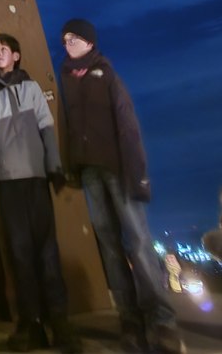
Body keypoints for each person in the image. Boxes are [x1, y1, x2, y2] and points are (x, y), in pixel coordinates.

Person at [59, 19, 185, 354]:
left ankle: (162, 322)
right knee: (111, 249)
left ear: (90, 42)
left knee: (139, 244)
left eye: (74, 38)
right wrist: (71, 167)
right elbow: (66, 124)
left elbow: (128, 125)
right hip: (90, 174)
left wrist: (139, 175)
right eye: (65, 39)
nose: (68, 43)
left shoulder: (107, 75)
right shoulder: (66, 78)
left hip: (118, 170)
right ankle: (129, 320)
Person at [0, 33, 82, 354]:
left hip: (35, 177)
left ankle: (60, 323)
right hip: (6, 179)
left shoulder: (31, 87)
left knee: (47, 251)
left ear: (16, 55)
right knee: (19, 253)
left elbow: (46, 128)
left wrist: (54, 166)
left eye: (4, 49)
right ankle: (31, 323)